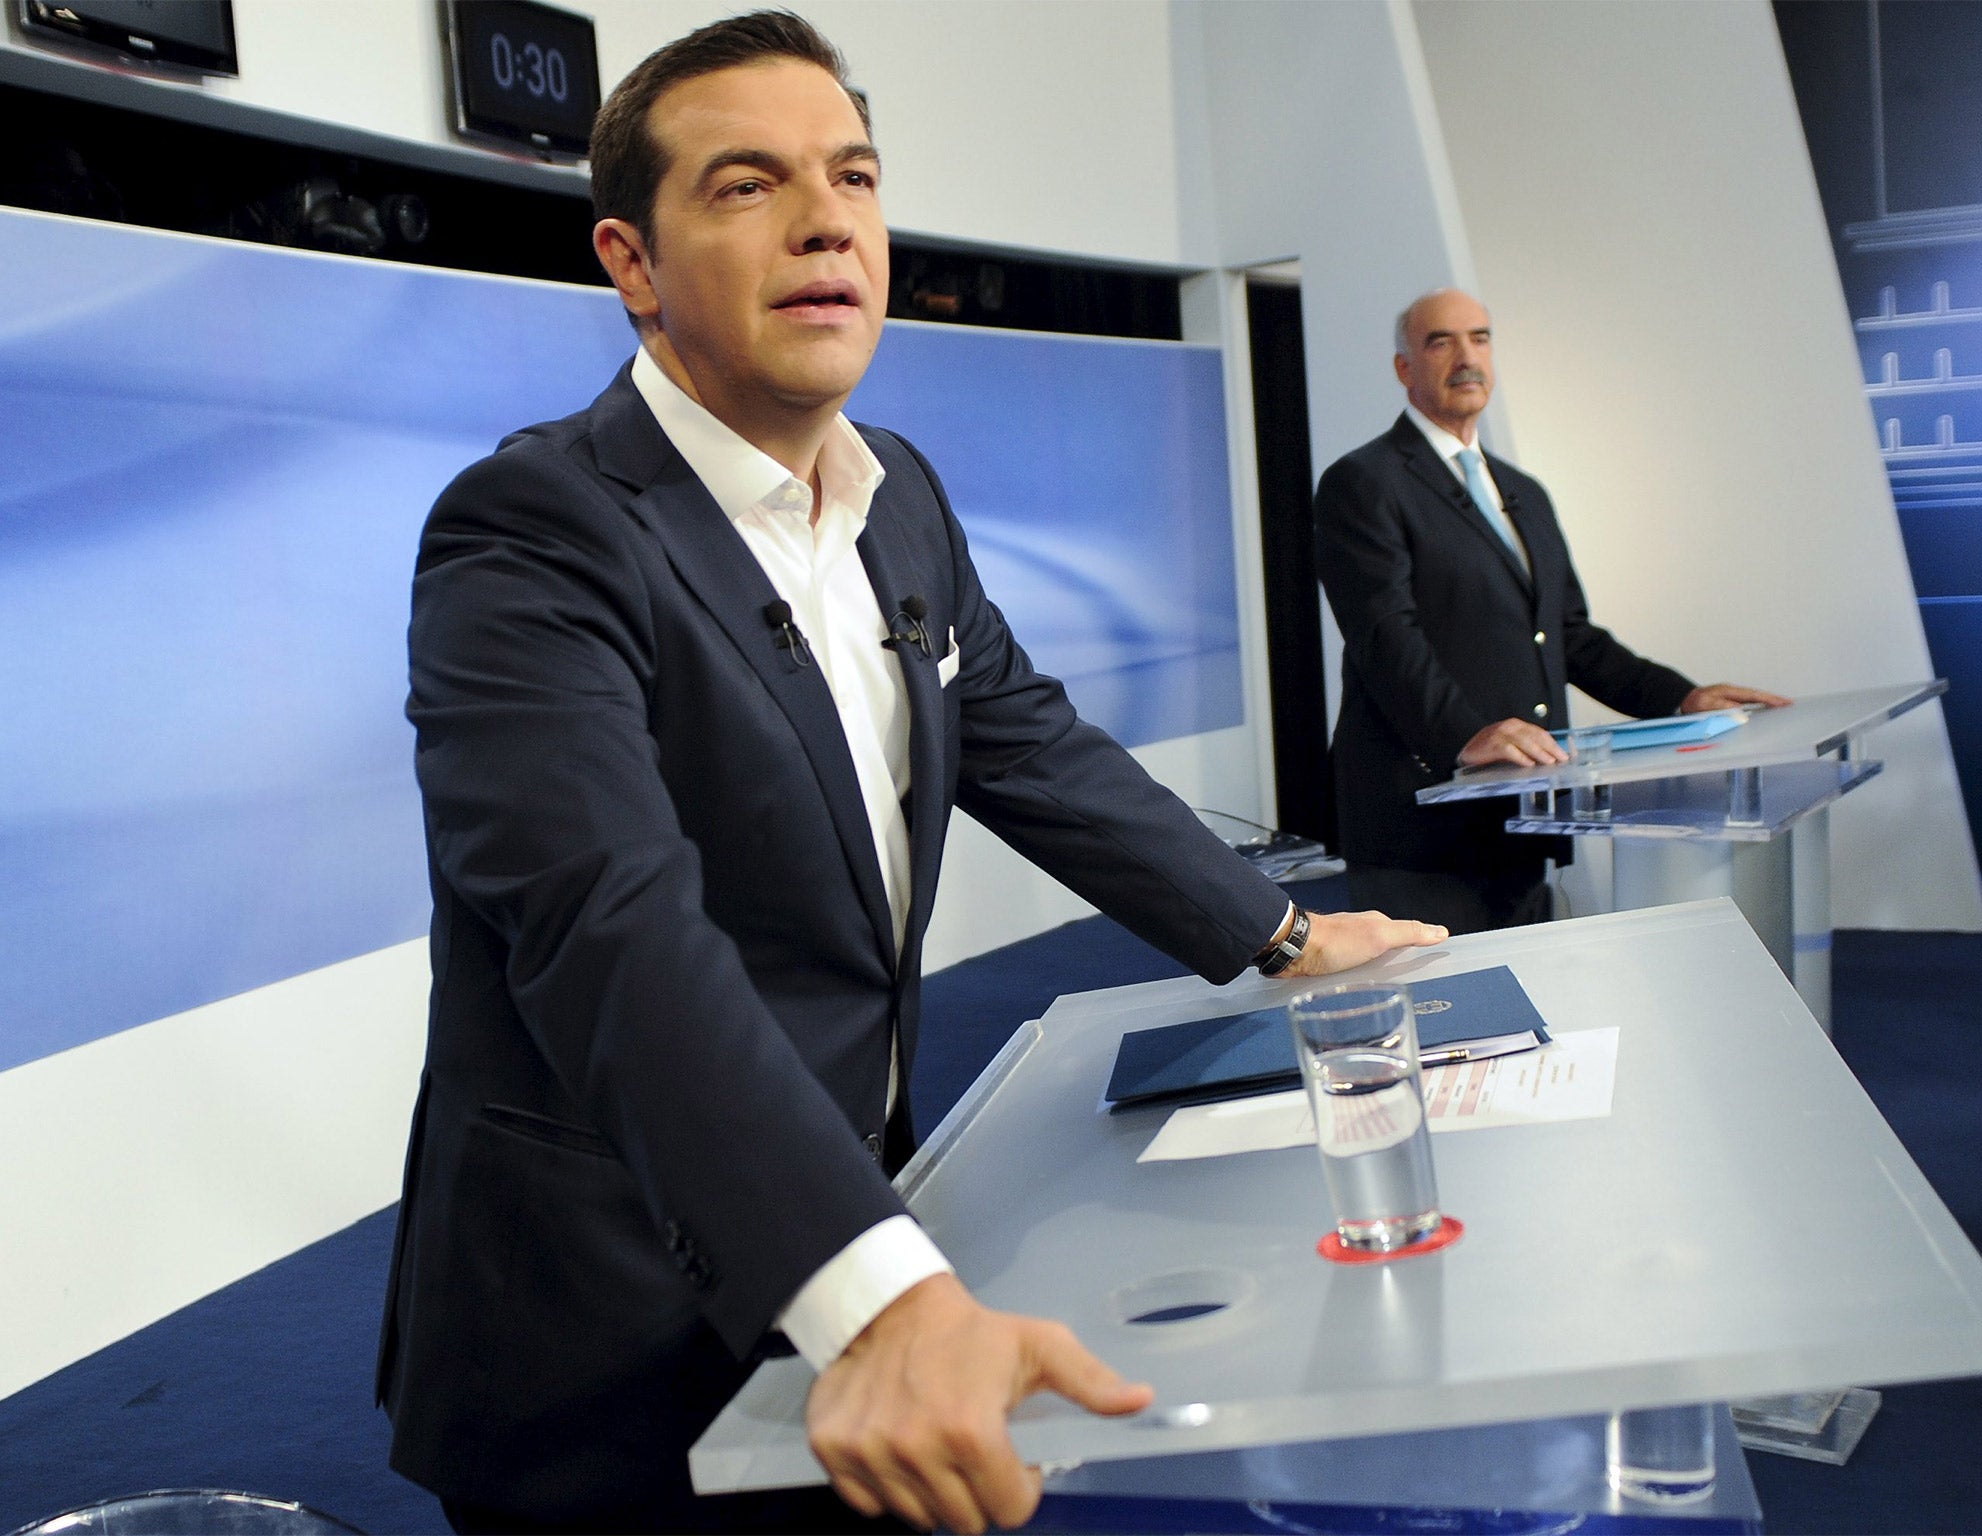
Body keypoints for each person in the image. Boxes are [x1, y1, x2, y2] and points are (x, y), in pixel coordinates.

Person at [375, 15, 1447, 1535]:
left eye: (854, 178)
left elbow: (1025, 740)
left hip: (852, 1211)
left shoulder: (898, 494)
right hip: (608, 1317)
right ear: (631, 261)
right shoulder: (530, 529)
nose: (826, 221)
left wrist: (1286, 937)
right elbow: (602, 924)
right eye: (748, 186)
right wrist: (878, 1299)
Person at [1313, 289, 1788, 933]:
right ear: (1403, 367)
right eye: (1441, 341)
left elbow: (1568, 635)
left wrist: (1681, 699)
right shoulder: (1364, 482)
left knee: (1527, 1010)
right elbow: (1383, 635)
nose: (1466, 356)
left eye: (1480, 338)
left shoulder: (1522, 491)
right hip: (1421, 822)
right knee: (1447, 1016)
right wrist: (1463, 735)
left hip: (1522, 809)